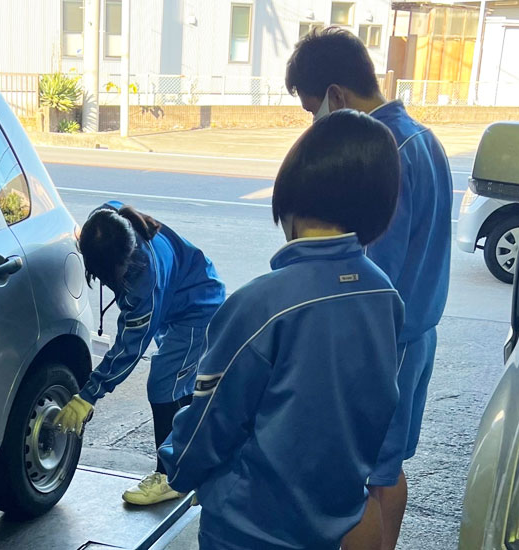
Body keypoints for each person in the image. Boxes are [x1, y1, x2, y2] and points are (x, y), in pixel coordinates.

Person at [159, 110, 404, 550]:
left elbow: (211, 420)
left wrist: (175, 468)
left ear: (290, 197)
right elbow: (380, 407)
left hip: (249, 526)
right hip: (333, 520)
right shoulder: (384, 295)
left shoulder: (262, 304)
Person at [285, 28, 453, 549]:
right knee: (386, 468)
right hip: (416, 335)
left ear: (337, 95)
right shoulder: (424, 138)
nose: (315, 123)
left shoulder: (381, 154)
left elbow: (369, 275)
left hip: (385, 341)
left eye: (313, 110)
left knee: (361, 478)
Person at [55, 201, 225, 505]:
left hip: (197, 310)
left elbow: (128, 349)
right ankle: (195, 465)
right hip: (179, 298)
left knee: (162, 385)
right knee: (180, 388)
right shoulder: (108, 222)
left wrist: (88, 395)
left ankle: (171, 478)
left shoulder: (145, 275)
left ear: (125, 260)